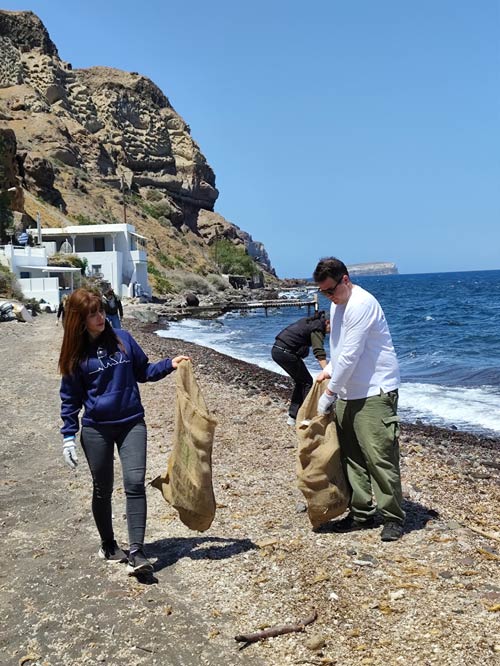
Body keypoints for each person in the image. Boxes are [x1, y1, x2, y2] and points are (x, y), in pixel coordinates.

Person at [58, 288, 189, 574]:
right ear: (79, 320)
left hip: (131, 423)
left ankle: (138, 552)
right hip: (96, 430)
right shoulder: (75, 356)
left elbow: (144, 372)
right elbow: (70, 399)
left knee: (134, 483)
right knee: (102, 489)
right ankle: (108, 543)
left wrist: (170, 364)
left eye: (101, 311)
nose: (100, 317)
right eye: (92, 313)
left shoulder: (124, 340)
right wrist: (68, 436)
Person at [313, 257, 404, 542]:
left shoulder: (361, 304)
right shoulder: (336, 304)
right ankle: (361, 512)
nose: (328, 296)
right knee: (351, 457)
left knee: (380, 457)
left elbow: (351, 355)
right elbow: (338, 349)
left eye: (331, 290)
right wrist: (327, 372)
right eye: (323, 292)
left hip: (375, 391)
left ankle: (393, 517)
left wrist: (329, 394)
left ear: (345, 280)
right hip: (348, 392)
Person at [272, 311, 329, 425]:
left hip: (277, 350)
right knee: (307, 382)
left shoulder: (310, 322)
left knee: (301, 382)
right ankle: (305, 416)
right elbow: (318, 351)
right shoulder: (317, 328)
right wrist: (327, 371)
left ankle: (293, 416)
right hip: (285, 353)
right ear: (327, 322)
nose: (332, 330)